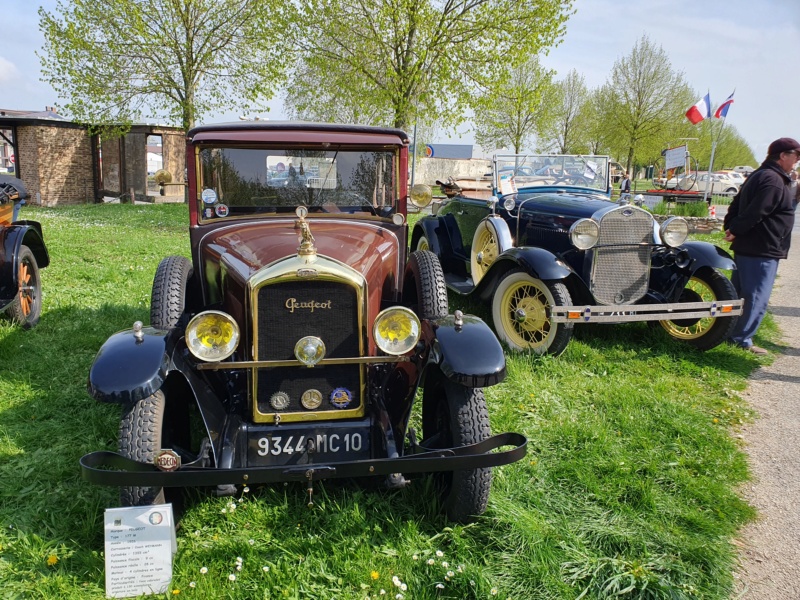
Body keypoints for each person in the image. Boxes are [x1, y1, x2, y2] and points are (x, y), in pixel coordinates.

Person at [723, 137, 800, 354]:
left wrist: (730, 227)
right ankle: (741, 339)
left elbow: (736, 204)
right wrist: (735, 230)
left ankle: (728, 333)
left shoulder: (760, 175)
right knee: (756, 296)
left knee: (739, 293)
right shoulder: (773, 180)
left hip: (752, 246)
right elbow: (757, 211)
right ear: (783, 156)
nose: (797, 161)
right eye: (796, 156)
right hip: (761, 248)